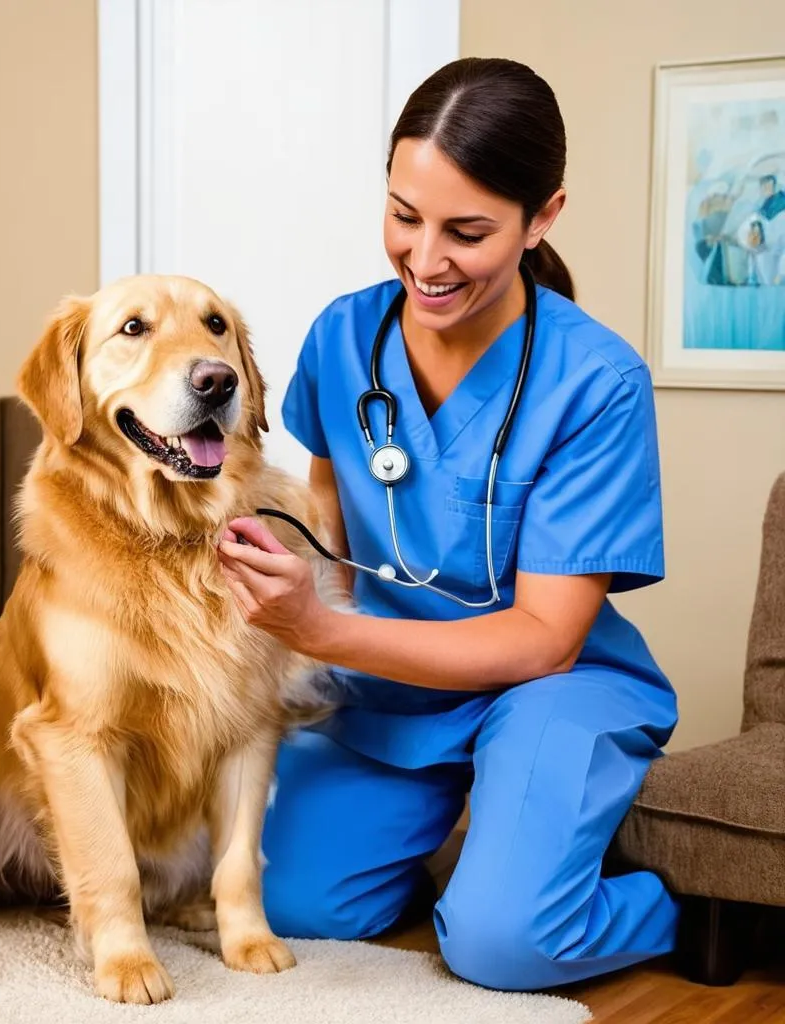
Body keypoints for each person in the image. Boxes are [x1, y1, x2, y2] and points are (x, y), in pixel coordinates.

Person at [216, 57, 679, 992]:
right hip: (391, 682)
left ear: (542, 216)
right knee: (296, 901)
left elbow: (547, 640)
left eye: (467, 232)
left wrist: (320, 629)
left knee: (502, 944)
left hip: (553, 685)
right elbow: (327, 512)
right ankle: (489, 850)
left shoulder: (597, 384)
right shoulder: (345, 338)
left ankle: (662, 902)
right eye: (404, 215)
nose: (425, 262)